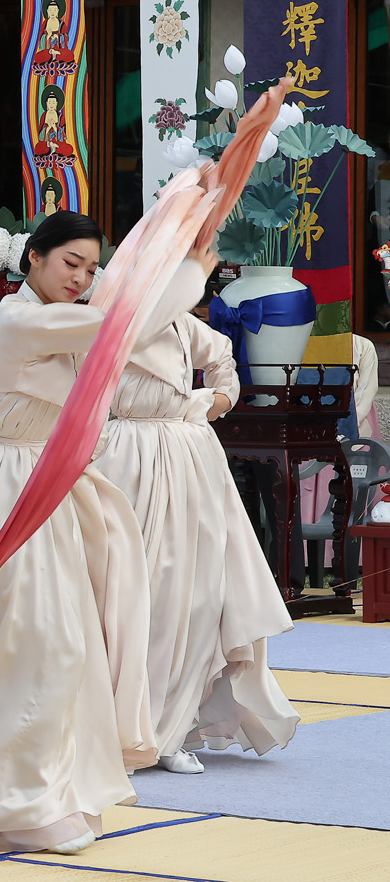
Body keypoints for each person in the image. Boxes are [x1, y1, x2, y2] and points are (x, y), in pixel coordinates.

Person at [0, 211, 205, 855]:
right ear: (33, 260)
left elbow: (118, 323)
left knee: (52, 644)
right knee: (25, 643)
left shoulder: (57, 316)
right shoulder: (22, 319)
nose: (79, 277)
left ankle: (35, 789)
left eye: (89, 267)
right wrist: (194, 262)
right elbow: (121, 326)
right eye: (67, 263)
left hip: (40, 488)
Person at [95, 293, 299, 774]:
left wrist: (218, 401)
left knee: (194, 598)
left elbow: (223, 355)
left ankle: (171, 729)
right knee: (120, 594)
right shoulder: (101, 319)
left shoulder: (184, 325)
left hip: (188, 457)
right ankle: (114, 727)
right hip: (122, 454)